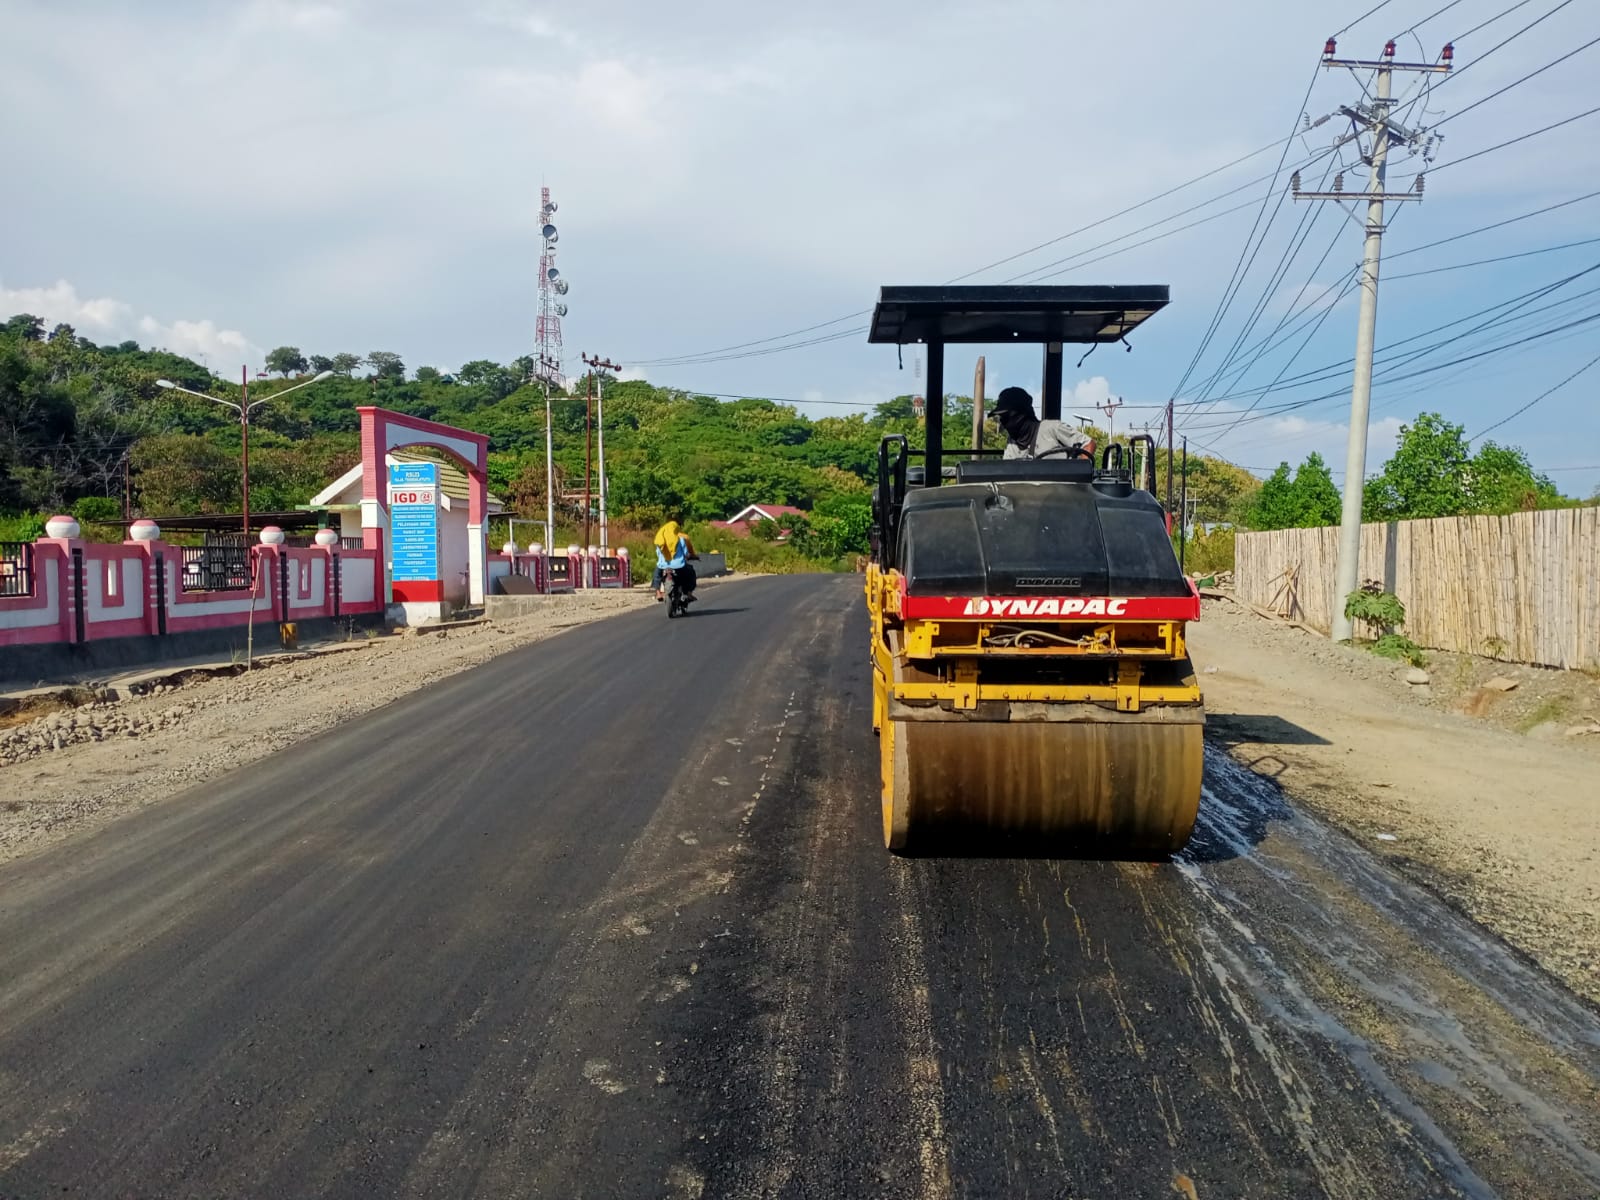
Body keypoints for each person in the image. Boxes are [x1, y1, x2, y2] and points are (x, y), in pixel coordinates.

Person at [991, 386, 1093, 461]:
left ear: (1022, 414)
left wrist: (1079, 472)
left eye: (1006, 417)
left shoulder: (1052, 428)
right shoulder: (1012, 444)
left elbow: (1089, 443)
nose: (1003, 422)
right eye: (1001, 418)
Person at [652, 520, 698, 603]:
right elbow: (686, 554)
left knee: (656, 575)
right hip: (679, 566)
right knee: (691, 573)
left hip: (663, 566)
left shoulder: (660, 540)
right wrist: (690, 556)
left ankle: (658, 593)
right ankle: (688, 593)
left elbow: (658, 553)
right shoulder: (680, 540)